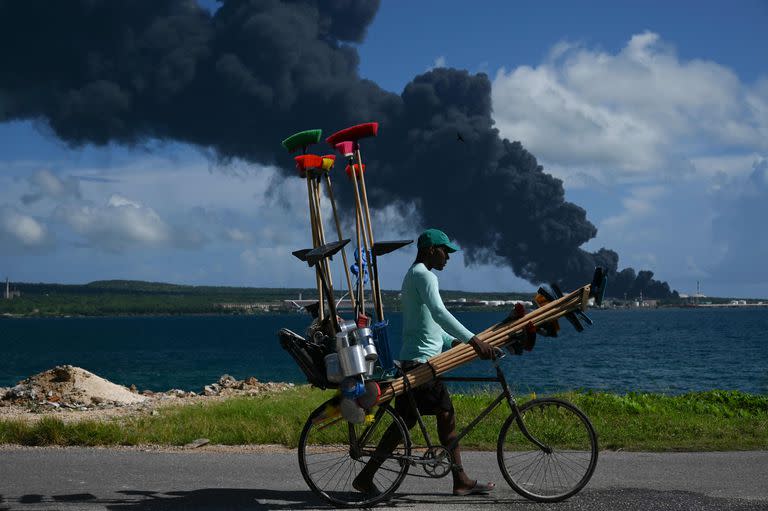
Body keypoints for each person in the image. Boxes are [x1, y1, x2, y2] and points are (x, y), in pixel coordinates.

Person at [353, 228, 496, 497]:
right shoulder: (424, 275)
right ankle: (461, 479)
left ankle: (366, 476)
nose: (448, 257)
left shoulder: (412, 276)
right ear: (430, 250)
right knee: (446, 416)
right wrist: (474, 340)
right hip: (424, 365)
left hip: (412, 360)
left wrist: (453, 342)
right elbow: (440, 313)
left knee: (404, 424)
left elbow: (428, 324)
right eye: (445, 251)